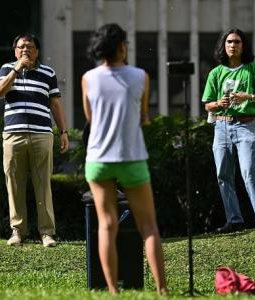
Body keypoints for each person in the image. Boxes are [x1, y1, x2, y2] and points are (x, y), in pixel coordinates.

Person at [82, 23, 168, 295]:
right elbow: (143, 116)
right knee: (149, 226)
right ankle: (162, 289)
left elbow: (90, 119)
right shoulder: (140, 76)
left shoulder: (88, 78)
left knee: (107, 226)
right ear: (122, 46)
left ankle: (112, 290)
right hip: (131, 157)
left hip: (98, 158)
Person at [0, 33, 69, 247]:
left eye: (29, 46)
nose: (25, 50)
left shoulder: (48, 72)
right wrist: (17, 69)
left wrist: (63, 132)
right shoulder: (7, 68)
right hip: (13, 135)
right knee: (14, 184)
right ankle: (17, 232)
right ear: (15, 50)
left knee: (43, 184)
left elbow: (55, 104)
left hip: (42, 134)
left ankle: (47, 233)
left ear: (37, 51)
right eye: (21, 47)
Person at [202, 28, 255, 234]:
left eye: (237, 42)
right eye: (229, 42)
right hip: (221, 126)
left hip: (245, 125)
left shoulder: (253, 69)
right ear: (223, 46)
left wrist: (248, 97)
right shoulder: (216, 73)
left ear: (244, 46)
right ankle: (234, 220)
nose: (233, 45)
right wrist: (218, 102)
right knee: (223, 174)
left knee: (250, 170)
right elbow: (207, 105)